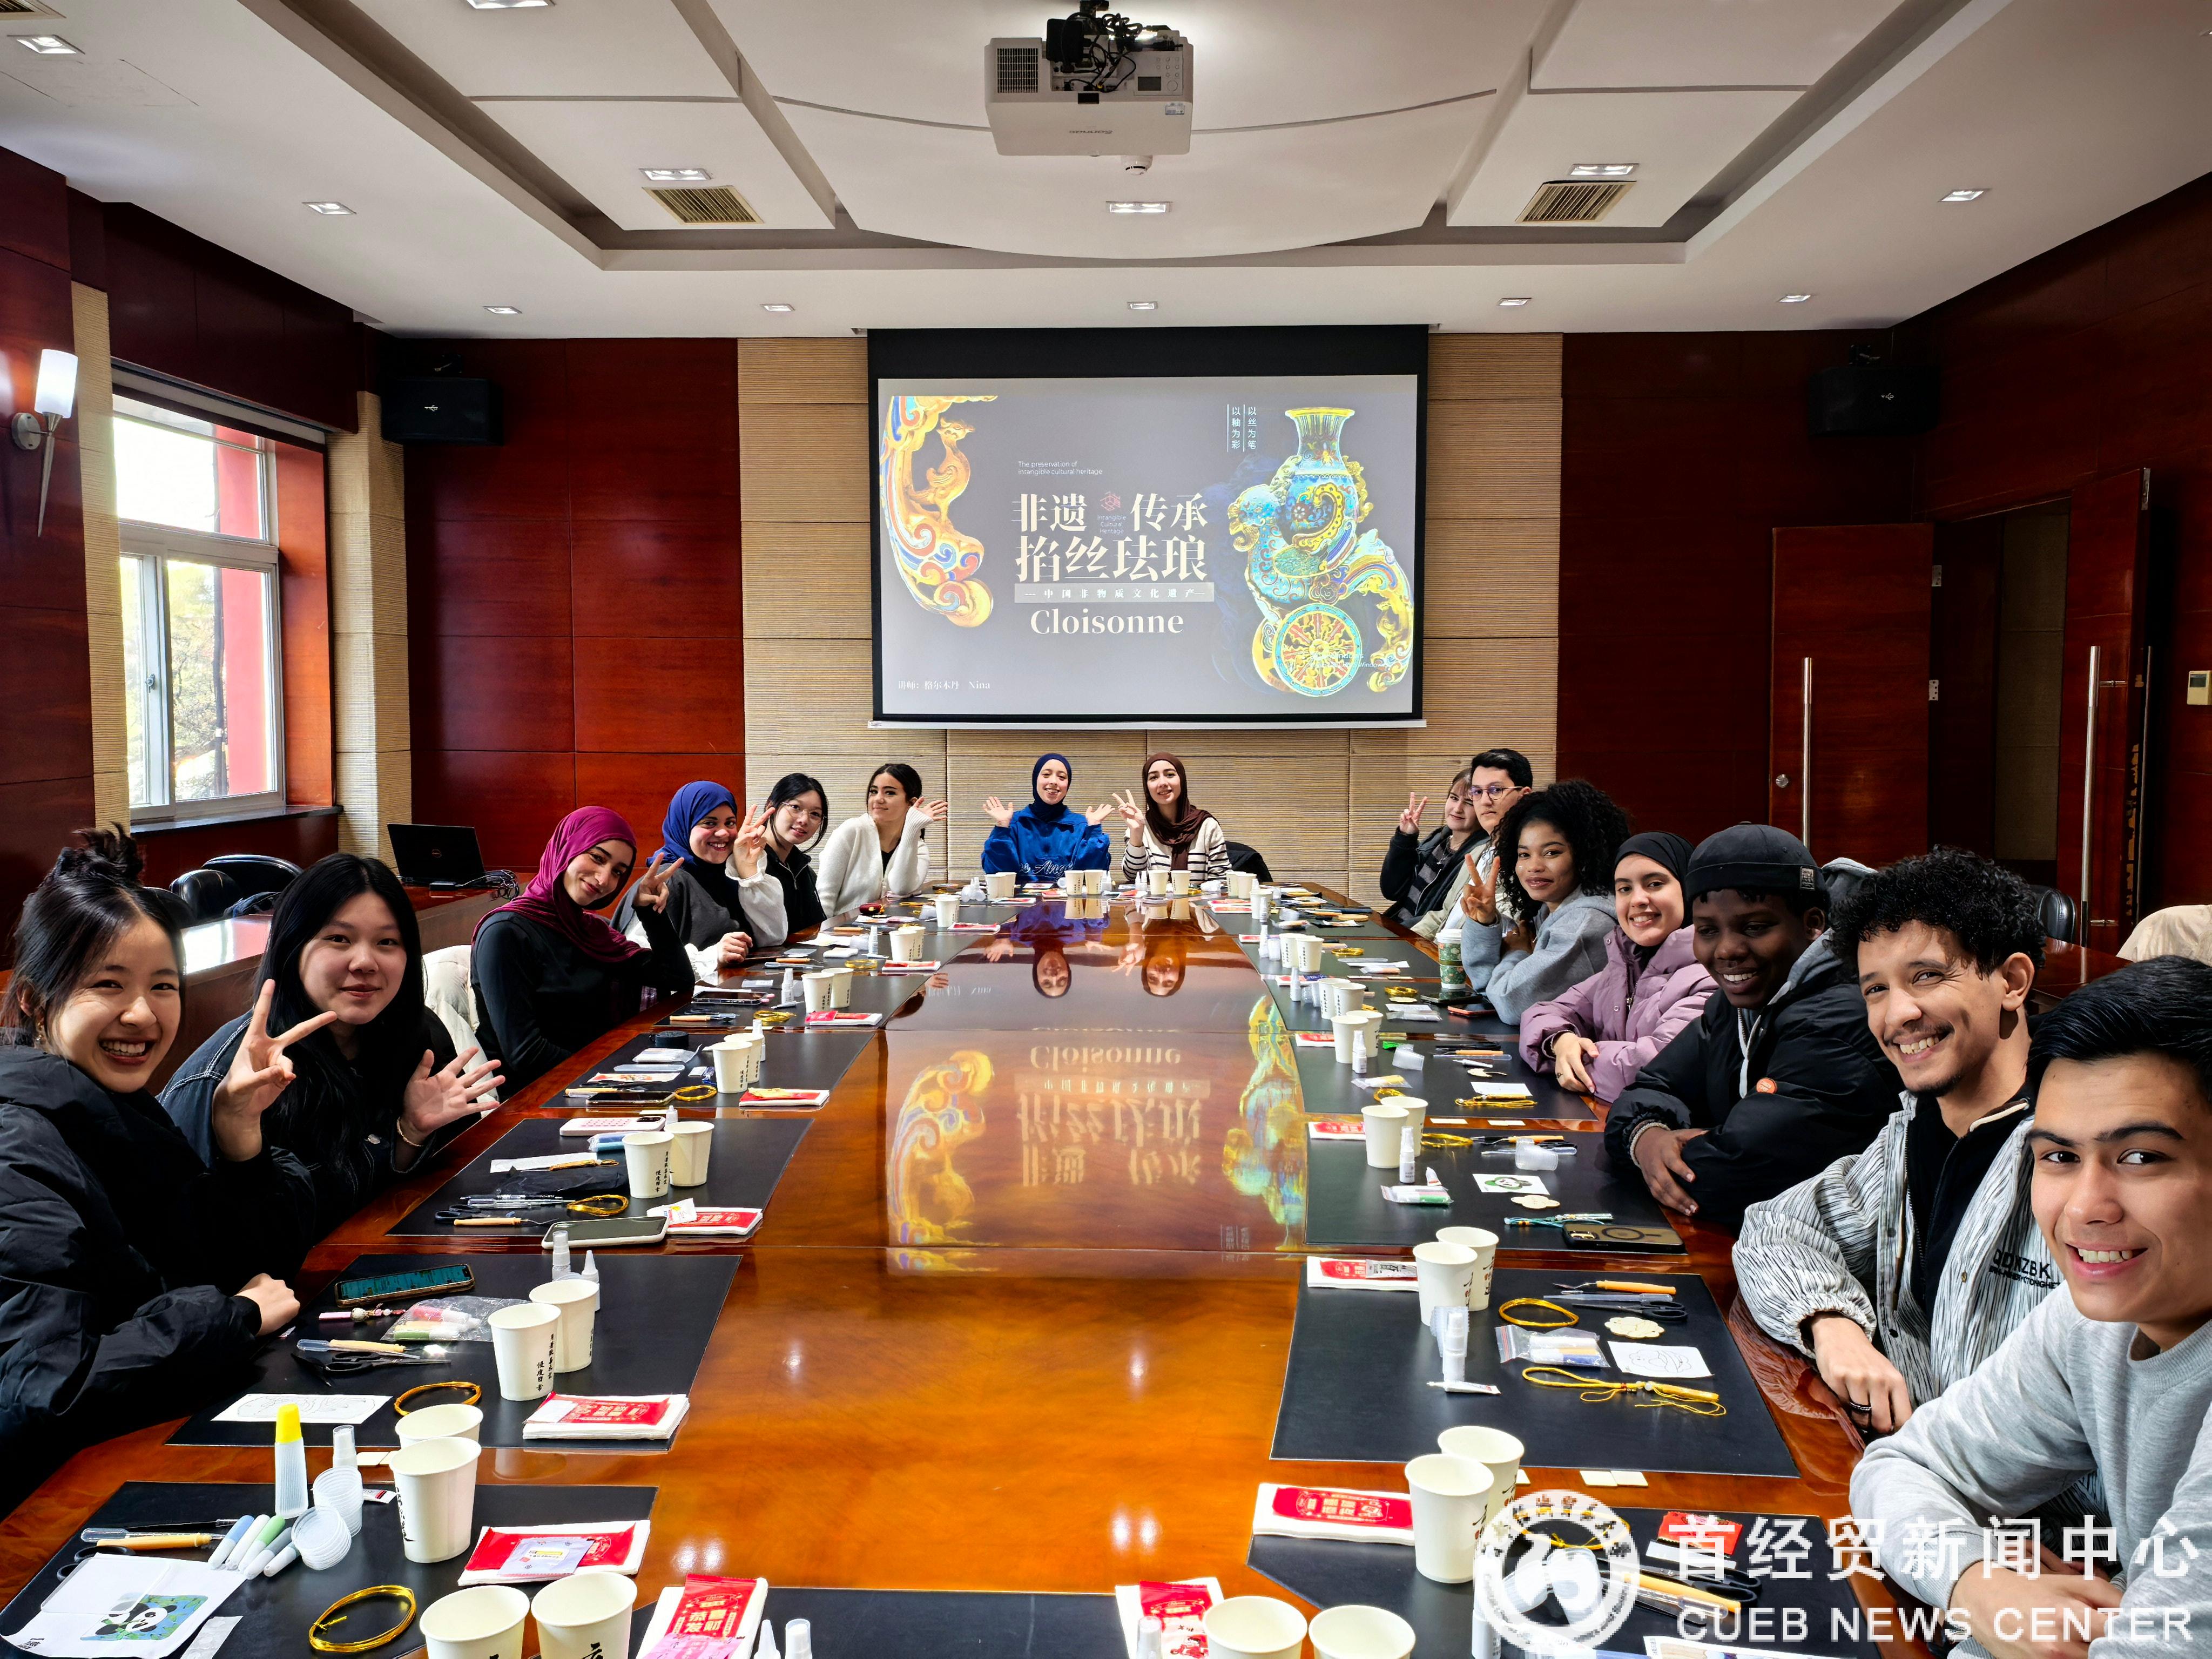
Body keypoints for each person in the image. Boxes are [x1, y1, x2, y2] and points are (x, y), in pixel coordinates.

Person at [1850, 957, 2212, 1659]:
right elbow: (1904, 1467)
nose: (2084, 1209)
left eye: (2140, 1158)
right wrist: (1977, 1586)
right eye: (2059, 1158)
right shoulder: (2092, 1323)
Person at [0, 830, 316, 1510]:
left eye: (163, 986)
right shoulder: (16, 1148)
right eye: (107, 984)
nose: (142, 1014)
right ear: (33, 1000)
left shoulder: (116, 1111)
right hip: (48, 1512)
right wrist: (230, 1318)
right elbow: (46, 1390)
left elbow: (252, 1271)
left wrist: (239, 1137)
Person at [1736, 851, 2055, 1434]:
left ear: (2012, 982)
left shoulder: (2076, 1157)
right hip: (1903, 1465)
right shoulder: (1912, 1134)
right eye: (1876, 989)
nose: (1897, 1014)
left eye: (1927, 977)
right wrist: (1831, 1323)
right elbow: (1774, 1228)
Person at [165, 853, 503, 1232]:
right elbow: (205, 1240)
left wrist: (410, 1133)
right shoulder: (230, 1078)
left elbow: (452, 1190)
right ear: (292, 946)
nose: (365, 962)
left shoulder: (416, 1033)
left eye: (387, 941)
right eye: (339, 939)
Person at [1601, 824, 1898, 1236]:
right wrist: (1647, 1137)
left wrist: (1683, 1151)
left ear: (1813, 925)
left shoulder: (1841, 1018)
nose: (1727, 950)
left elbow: (1732, 1175)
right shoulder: (1733, 1006)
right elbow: (1649, 1087)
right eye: (1708, 930)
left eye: (1755, 927)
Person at [470, 807, 693, 1092]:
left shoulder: (590, 931)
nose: (604, 879)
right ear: (567, 849)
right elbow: (526, 1054)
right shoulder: (505, 933)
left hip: (593, 1082)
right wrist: (609, 1075)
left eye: (618, 872)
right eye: (597, 858)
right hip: (540, 1097)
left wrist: (649, 911)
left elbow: (677, 978)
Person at [1517, 831, 1715, 1103]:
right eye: (1624, 889)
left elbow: (1654, 1067)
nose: (1638, 900)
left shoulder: (1711, 978)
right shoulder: (1623, 967)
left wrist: (1575, 1059)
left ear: (1690, 890)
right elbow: (1543, 1013)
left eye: (1655, 884)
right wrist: (1560, 1042)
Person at [1456, 779, 1627, 1025]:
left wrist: (1517, 953)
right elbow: (1485, 987)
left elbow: (1510, 1003)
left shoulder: (1586, 924)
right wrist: (1486, 923)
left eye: (1552, 853)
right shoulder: (1549, 910)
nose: (1534, 866)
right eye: (1524, 854)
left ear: (1585, 854)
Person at [615, 780, 787, 978]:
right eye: (709, 823)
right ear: (684, 825)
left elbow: (774, 938)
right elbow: (638, 958)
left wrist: (748, 870)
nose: (723, 833)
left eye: (730, 823)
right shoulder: (668, 880)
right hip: (684, 998)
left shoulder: (729, 875)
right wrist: (712, 956)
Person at [814, 763, 948, 914]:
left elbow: (902, 888)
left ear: (911, 803)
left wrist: (912, 828)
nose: (878, 799)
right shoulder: (851, 831)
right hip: (843, 927)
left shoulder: (918, 847)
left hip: (890, 926)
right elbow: (824, 897)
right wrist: (826, 929)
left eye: (890, 793)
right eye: (874, 791)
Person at [1451, 747, 1535, 978]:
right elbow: (1444, 915)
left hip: (1482, 971)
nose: (1485, 801)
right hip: (1443, 956)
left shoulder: (1527, 860)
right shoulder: (1478, 851)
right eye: (1477, 792)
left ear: (1524, 796)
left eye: (1496, 790)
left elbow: (1517, 930)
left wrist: (1488, 919)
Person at [1378, 769, 1483, 934]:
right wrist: (1405, 838)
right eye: (1454, 798)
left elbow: (1445, 917)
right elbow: (1393, 891)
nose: (1457, 808)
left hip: (1419, 937)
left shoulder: (1478, 857)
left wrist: (1399, 934)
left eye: (1469, 803)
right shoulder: (1438, 840)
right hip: (1399, 929)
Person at [981, 753, 1113, 885]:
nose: (1054, 782)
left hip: (1069, 899)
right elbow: (998, 877)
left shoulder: (1081, 826)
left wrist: (1094, 830)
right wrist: (1002, 828)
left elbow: (1093, 881)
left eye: (1062, 777)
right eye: (1046, 775)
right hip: (1018, 899)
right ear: (1035, 780)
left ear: (1068, 786)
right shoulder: (1013, 824)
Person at [1115, 752, 1231, 886]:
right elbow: (1133, 876)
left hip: (1199, 900)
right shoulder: (1140, 824)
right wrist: (1137, 834)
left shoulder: (1206, 825)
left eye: (1170, 775)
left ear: (1182, 779)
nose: (1163, 783)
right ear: (1147, 787)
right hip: (1153, 899)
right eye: (1153, 777)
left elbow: (1222, 880)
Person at [760, 772, 830, 937]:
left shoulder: (801, 867)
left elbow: (814, 926)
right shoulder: (751, 862)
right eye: (796, 807)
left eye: (815, 814)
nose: (804, 820)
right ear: (771, 807)